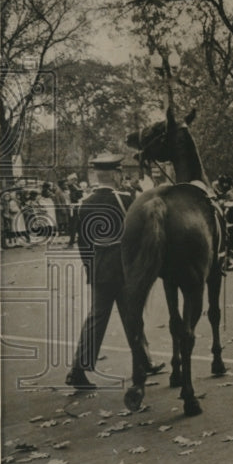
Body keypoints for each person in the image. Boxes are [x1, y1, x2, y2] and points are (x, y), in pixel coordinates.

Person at [66, 154, 163, 390]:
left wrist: (92, 269)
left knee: (99, 318)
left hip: (100, 268)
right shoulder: (127, 198)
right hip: (124, 268)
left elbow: (84, 244)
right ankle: (138, 362)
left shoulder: (85, 203)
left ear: (97, 175)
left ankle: (82, 368)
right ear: (116, 174)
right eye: (120, 173)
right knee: (130, 315)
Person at [213, 174, 233, 270]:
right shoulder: (214, 187)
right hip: (217, 209)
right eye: (222, 184)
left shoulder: (229, 190)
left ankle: (231, 255)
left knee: (232, 233)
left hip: (230, 212)